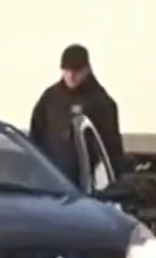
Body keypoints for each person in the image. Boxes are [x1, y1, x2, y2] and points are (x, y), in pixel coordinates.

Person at [28, 43, 125, 184]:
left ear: (87, 70)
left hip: (87, 181)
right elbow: (35, 136)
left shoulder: (101, 102)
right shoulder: (50, 98)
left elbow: (111, 148)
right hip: (52, 178)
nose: (71, 76)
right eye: (67, 71)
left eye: (76, 71)